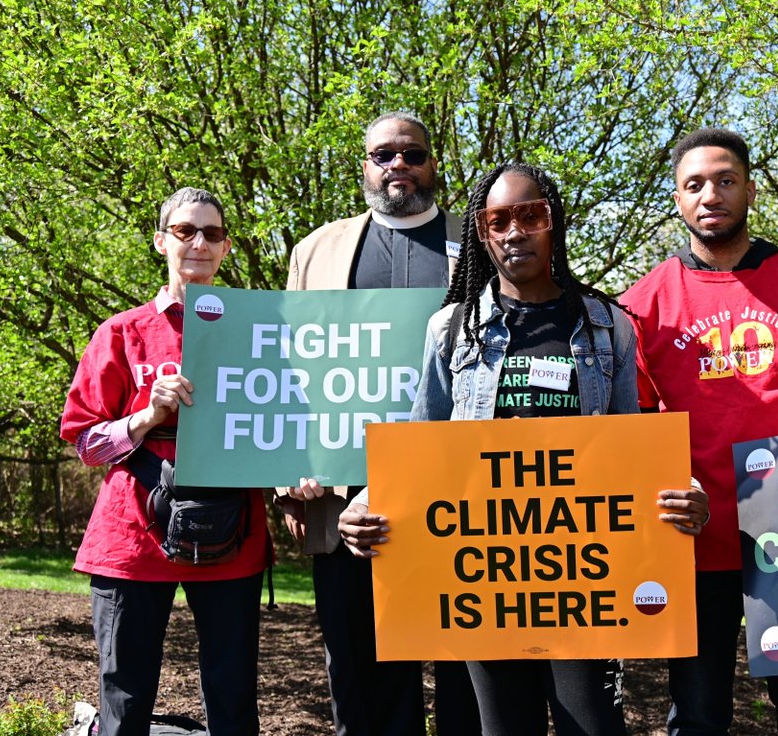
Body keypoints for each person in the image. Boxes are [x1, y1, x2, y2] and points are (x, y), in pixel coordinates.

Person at [337, 162, 709, 736]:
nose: (515, 231)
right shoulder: (451, 329)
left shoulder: (607, 325)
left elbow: (631, 442)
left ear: (553, 223)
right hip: (485, 579)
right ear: (482, 235)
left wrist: (686, 494)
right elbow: (422, 444)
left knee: (595, 727)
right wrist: (365, 504)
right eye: (498, 220)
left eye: (530, 215)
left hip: (585, 579)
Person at [620, 129, 778, 735]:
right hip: (693, 538)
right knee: (697, 715)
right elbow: (634, 431)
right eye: (694, 184)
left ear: (748, 188)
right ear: (677, 197)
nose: (710, 195)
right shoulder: (640, 306)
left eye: (725, 181)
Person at [279, 112, 478, 735]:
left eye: (412, 154)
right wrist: (286, 472)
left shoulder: (476, 243)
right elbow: (285, 371)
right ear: (364, 166)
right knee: (358, 671)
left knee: (465, 668)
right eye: (383, 154)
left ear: (433, 164)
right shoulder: (316, 250)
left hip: (457, 495)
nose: (398, 165)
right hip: (343, 499)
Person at [60, 187, 272, 736]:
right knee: (125, 699)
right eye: (185, 231)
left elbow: (284, 426)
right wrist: (146, 417)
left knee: (233, 700)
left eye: (212, 233)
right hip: (132, 535)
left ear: (226, 247)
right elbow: (83, 441)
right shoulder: (121, 332)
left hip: (234, 533)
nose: (199, 242)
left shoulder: (263, 331)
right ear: (161, 242)